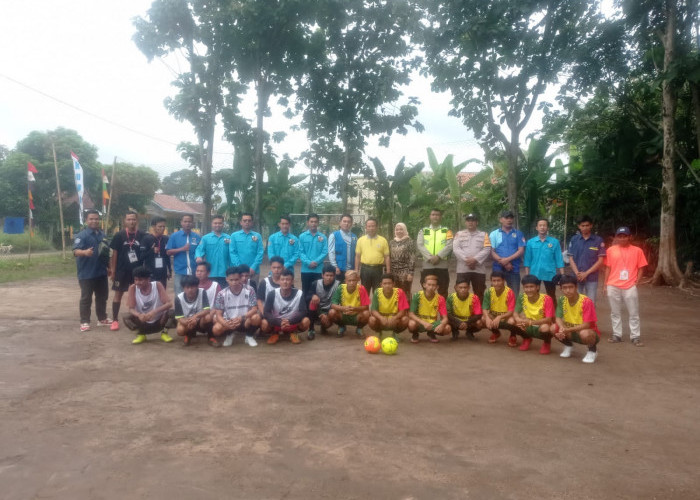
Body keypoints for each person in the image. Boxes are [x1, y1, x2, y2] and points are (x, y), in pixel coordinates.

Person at [602, 226, 648, 346]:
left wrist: (636, 282)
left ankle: (635, 336)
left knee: (633, 312)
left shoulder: (637, 251)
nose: (622, 239)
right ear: (616, 237)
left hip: (630, 285)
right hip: (613, 284)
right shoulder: (611, 250)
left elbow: (641, 268)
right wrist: (605, 284)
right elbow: (608, 268)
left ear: (629, 237)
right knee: (615, 312)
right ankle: (617, 335)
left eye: (625, 236)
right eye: (620, 236)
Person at [72, 209, 111, 331]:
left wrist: (109, 267)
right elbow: (75, 251)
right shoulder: (81, 235)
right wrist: (85, 252)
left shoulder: (102, 235)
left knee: (102, 297)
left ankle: (102, 318)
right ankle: (84, 322)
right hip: (86, 273)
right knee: (86, 298)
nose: (94, 221)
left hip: (101, 272)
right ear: (86, 220)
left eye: (96, 219)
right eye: (91, 219)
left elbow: (105, 253)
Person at [109, 210, 146, 331]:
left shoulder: (142, 235)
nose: (131, 221)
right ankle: (114, 320)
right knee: (118, 294)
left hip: (137, 271)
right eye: (129, 219)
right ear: (125, 221)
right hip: (121, 271)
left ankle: (137, 318)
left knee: (138, 295)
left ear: (137, 221)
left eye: (134, 219)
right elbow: (114, 254)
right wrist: (113, 271)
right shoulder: (119, 235)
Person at [553, 274, 600, 363]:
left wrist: (567, 330)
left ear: (576, 287)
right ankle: (568, 346)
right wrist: (562, 328)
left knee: (585, 333)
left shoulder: (586, 301)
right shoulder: (562, 300)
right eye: (565, 288)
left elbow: (587, 325)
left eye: (571, 287)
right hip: (570, 330)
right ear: (561, 289)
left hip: (587, 331)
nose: (568, 290)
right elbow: (558, 317)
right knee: (554, 328)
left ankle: (592, 350)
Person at [123, 266, 174, 345]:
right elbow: (131, 309)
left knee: (172, 313)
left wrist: (154, 312)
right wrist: (139, 315)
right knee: (127, 317)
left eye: (140, 280)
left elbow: (169, 304)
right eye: (136, 279)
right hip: (143, 321)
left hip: (159, 320)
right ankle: (141, 334)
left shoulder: (157, 285)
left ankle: (164, 333)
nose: (137, 282)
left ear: (148, 279)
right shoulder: (132, 288)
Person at [212, 266, 261, 348]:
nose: (234, 282)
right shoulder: (221, 294)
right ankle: (229, 334)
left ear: (240, 278)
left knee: (256, 317)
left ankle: (249, 336)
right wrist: (226, 323)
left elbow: (254, 308)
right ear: (227, 279)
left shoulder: (250, 290)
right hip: (230, 321)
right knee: (216, 329)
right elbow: (218, 314)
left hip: (244, 320)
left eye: (236, 279)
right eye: (231, 280)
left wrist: (241, 318)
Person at [261, 269, 310, 344]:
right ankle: (274, 333)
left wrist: (289, 322)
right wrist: (279, 322)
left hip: (292, 323)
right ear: (279, 281)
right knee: (264, 323)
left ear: (292, 281)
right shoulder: (272, 294)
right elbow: (266, 312)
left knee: (306, 321)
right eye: (282, 279)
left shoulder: (299, 293)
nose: (285, 282)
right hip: (276, 323)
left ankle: (293, 332)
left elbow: (303, 311)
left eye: (288, 279)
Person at [512, 274, 556, 354]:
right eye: (526, 287)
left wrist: (530, 322)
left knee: (545, 328)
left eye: (531, 287)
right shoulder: (522, 297)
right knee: (513, 322)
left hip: (542, 324)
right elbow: (515, 313)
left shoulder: (546, 299)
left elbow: (548, 319)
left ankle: (547, 343)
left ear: (537, 287)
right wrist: (519, 320)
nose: (529, 290)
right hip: (529, 323)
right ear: (523, 288)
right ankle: (527, 339)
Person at [567, 215, 606, 304]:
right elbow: (571, 258)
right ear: (579, 226)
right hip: (576, 277)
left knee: (590, 303)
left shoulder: (598, 240)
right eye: (582, 226)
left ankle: (589, 319)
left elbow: (600, 261)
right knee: (575, 302)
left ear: (591, 226)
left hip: (592, 278)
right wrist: (577, 273)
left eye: (587, 225)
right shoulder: (574, 239)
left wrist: (586, 273)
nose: (585, 228)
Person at [523, 218, 564, 302]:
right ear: (536, 228)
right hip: (535, 273)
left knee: (551, 295)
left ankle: (552, 314)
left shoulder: (554, 242)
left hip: (549, 274)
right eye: (540, 225)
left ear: (548, 228)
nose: (542, 227)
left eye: (544, 225)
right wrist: (527, 275)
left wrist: (563, 275)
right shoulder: (531, 242)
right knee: (533, 295)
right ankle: (534, 314)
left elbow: (559, 259)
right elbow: (527, 259)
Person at [452, 213, 491, 301]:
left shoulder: (484, 235)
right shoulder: (459, 234)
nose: (471, 223)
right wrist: (467, 260)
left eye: (473, 221)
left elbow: (487, 249)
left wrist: (475, 260)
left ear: (477, 222)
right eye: (468, 221)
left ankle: (478, 313)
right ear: (465, 222)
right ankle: (461, 312)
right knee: (461, 291)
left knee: (479, 292)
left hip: (479, 269)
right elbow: (456, 248)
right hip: (463, 269)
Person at [417, 208, 453, 297]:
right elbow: (420, 245)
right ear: (430, 216)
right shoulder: (423, 230)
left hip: (442, 263)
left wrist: (438, 256)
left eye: (437, 215)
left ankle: (442, 310)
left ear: (440, 217)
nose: (435, 216)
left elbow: (449, 245)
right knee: (427, 287)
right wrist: (430, 257)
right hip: (428, 264)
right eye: (433, 215)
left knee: (443, 288)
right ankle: (428, 309)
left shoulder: (447, 230)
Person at [490, 210, 526, 296]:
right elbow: (491, 251)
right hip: (498, 268)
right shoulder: (494, 234)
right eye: (506, 218)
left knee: (514, 293)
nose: (509, 220)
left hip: (513, 267)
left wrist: (507, 260)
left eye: (511, 218)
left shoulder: (518, 234)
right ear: (501, 220)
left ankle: (513, 310)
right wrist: (504, 262)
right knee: (496, 292)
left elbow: (521, 250)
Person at [166, 214, 201, 297]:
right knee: (179, 293)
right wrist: (182, 249)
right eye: (185, 221)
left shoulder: (197, 237)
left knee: (194, 292)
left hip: (194, 270)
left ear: (192, 223)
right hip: (180, 270)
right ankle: (179, 310)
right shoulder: (174, 236)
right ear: (181, 223)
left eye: (189, 221)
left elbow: (200, 252)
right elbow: (168, 252)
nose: (187, 223)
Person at [408, 274, 451, 343]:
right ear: (424, 285)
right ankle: (415, 334)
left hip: (432, 324)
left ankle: (431, 333)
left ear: (437, 287)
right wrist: (424, 323)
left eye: (433, 285)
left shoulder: (440, 298)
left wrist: (442, 325)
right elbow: (411, 314)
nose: (431, 287)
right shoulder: (417, 296)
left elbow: (445, 318)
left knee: (447, 328)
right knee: (411, 324)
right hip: (420, 323)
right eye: (429, 284)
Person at [481, 271, 518, 347]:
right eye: (494, 281)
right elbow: (484, 308)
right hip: (494, 315)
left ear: (503, 281)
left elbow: (511, 312)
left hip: (506, 316)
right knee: (483, 318)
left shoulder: (509, 292)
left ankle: (513, 336)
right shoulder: (489, 292)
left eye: (499, 280)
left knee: (512, 321)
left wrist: (500, 317)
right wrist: (487, 318)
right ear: (491, 281)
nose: (496, 283)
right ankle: (496, 333)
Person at [328, 270, 370, 338]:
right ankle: (341, 326)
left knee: (367, 314)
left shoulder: (361, 288)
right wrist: (343, 308)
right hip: (343, 315)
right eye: (349, 280)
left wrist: (354, 308)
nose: (351, 283)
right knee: (331, 312)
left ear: (357, 280)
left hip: (356, 315)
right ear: (345, 281)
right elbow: (333, 304)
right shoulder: (341, 288)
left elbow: (366, 307)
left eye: (354, 280)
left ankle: (359, 328)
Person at [355, 217, 390, 295]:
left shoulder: (383, 240)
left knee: (378, 292)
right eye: (369, 226)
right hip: (365, 269)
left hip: (378, 269)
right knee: (364, 292)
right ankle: (365, 307)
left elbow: (387, 257)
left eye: (373, 226)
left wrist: (388, 271)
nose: (371, 228)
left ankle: (376, 307)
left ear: (377, 227)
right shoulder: (360, 240)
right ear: (366, 228)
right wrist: (356, 270)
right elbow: (357, 256)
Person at [174, 275, 212, 346]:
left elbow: (207, 310)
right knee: (180, 330)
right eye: (187, 287)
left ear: (197, 286)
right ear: (183, 288)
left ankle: (211, 337)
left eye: (192, 287)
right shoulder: (178, 298)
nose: (190, 290)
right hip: (188, 320)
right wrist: (188, 323)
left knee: (208, 317)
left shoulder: (202, 292)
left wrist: (195, 316)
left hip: (200, 319)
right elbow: (179, 318)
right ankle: (189, 335)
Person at [368, 273, 409, 339]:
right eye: (385, 283)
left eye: (389, 283)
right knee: (371, 319)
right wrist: (381, 318)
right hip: (381, 320)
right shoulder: (377, 292)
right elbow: (373, 310)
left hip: (394, 320)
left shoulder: (400, 292)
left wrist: (394, 317)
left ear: (393, 284)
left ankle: (396, 333)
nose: (387, 285)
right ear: (381, 285)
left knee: (405, 319)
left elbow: (403, 311)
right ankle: (379, 332)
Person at [306, 264, 340, 339]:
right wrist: (312, 295)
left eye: (331, 275)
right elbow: (306, 296)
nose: (329, 278)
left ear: (334, 276)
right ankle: (311, 329)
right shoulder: (315, 283)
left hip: (331, 310)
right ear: (322, 275)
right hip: (318, 310)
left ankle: (340, 326)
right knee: (312, 302)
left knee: (335, 311)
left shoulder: (339, 285)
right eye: (327, 275)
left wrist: (328, 314)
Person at [195, 215, 230, 288]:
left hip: (225, 273)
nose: (217, 225)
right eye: (215, 223)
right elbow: (199, 249)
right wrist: (198, 256)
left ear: (223, 224)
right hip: (210, 273)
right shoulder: (205, 238)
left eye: (220, 223)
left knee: (223, 295)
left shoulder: (228, 238)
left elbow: (232, 253)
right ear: (212, 224)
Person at [299, 213, 328, 297]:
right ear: (308, 223)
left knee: (318, 293)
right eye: (311, 221)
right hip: (306, 270)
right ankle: (306, 310)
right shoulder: (302, 236)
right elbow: (300, 252)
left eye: (315, 222)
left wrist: (316, 262)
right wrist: (308, 262)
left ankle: (317, 310)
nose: (313, 224)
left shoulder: (323, 237)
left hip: (318, 270)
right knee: (306, 292)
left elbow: (325, 251)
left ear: (318, 223)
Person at [229, 212, 264, 281]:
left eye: (249, 221)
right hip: (238, 271)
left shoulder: (257, 236)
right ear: (241, 222)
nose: (247, 222)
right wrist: (239, 268)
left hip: (254, 271)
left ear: (252, 222)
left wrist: (253, 267)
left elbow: (260, 252)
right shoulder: (234, 236)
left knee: (253, 291)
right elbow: (232, 252)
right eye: (244, 221)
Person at [141, 216, 171, 290]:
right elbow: (141, 256)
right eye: (160, 226)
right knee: (150, 294)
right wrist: (151, 251)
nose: (162, 228)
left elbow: (167, 257)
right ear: (154, 227)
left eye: (164, 226)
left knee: (162, 293)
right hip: (151, 272)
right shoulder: (147, 239)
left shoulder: (166, 239)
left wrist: (169, 270)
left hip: (162, 272)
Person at [389, 222, 416, 298]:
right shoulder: (391, 242)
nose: (399, 231)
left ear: (405, 230)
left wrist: (410, 273)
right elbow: (389, 257)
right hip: (393, 271)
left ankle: (406, 309)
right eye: (397, 229)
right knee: (394, 293)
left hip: (405, 272)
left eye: (401, 229)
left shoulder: (410, 242)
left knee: (405, 293)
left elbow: (412, 257)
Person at [328, 214, 357, 283]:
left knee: (350, 290)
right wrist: (335, 266)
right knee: (339, 290)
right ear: (340, 223)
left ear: (351, 224)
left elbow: (356, 254)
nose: (346, 223)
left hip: (351, 270)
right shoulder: (334, 235)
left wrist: (356, 269)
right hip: (339, 269)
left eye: (349, 222)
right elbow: (331, 252)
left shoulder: (354, 237)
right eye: (344, 221)